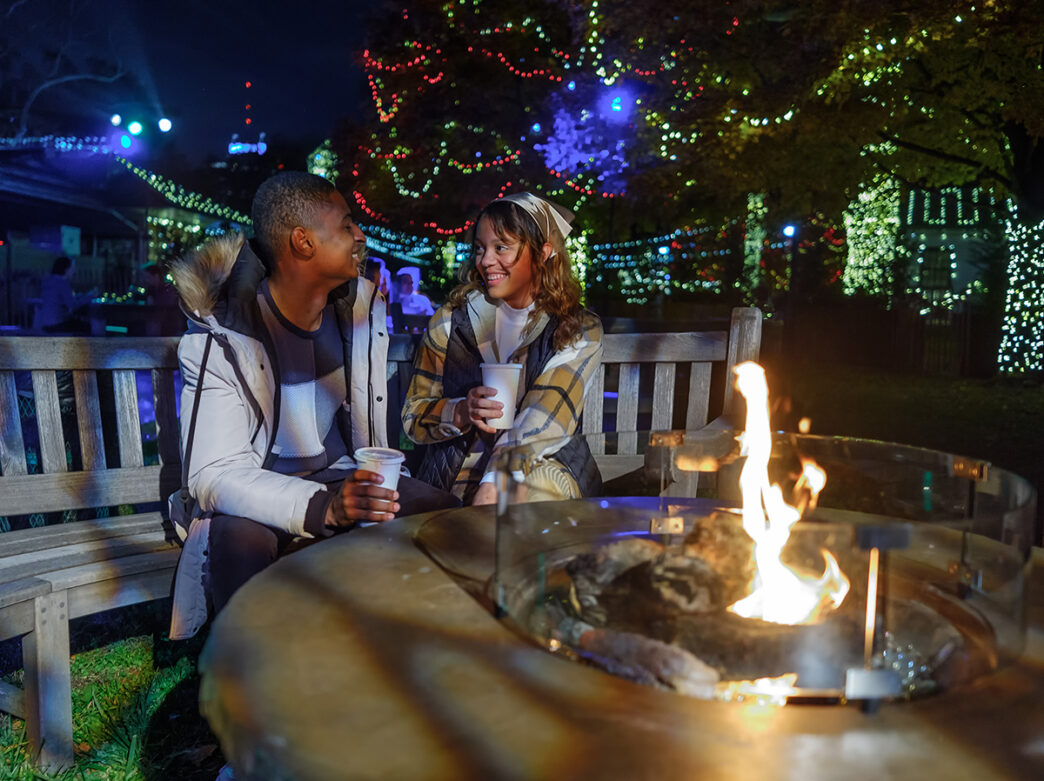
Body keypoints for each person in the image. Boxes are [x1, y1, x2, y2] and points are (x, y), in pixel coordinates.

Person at [167, 171, 458, 640]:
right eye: (346, 226)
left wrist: (356, 488)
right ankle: (261, 683)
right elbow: (213, 475)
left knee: (446, 516)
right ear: (302, 242)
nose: (360, 235)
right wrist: (322, 506)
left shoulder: (357, 310)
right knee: (237, 544)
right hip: (256, 490)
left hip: (340, 475)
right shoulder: (222, 336)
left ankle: (419, 653)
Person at [402, 192, 603, 505]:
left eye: (501, 248)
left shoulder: (577, 328)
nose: (485, 261)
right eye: (481, 249)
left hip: (539, 469)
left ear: (543, 253)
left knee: (532, 490)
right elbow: (413, 416)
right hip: (454, 477)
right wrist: (459, 411)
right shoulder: (451, 320)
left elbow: (543, 417)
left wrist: (496, 477)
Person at [35, 256, 96, 333]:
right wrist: (90, 296)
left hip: (45, 323)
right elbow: (72, 305)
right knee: (86, 327)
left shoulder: (48, 280)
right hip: (58, 324)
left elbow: (58, 298)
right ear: (66, 269)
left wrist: (81, 296)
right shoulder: (63, 283)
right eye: (72, 268)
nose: (74, 271)